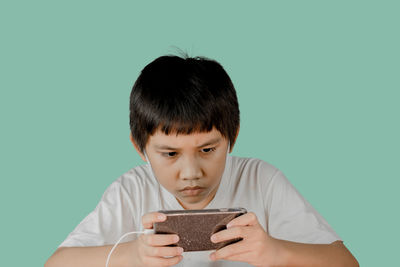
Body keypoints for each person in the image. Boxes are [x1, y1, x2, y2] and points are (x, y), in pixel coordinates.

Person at [45, 55, 358, 267]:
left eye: (207, 150)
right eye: (170, 154)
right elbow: (56, 263)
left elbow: (346, 262)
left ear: (232, 137)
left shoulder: (262, 180)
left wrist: (276, 251)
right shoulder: (130, 190)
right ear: (140, 148)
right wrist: (132, 254)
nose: (191, 173)